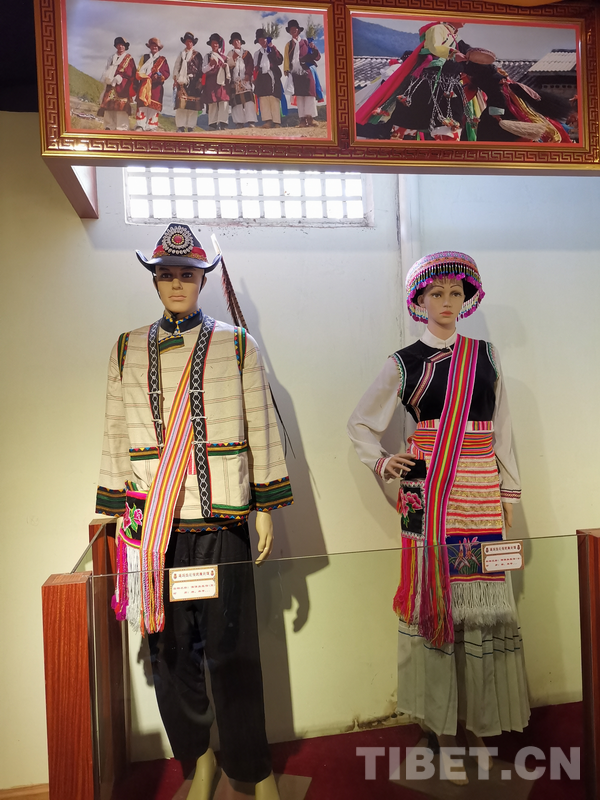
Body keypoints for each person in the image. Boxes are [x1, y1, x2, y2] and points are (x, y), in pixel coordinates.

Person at [96, 223, 293, 799]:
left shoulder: (237, 345)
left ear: (203, 280)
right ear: (155, 281)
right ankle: (199, 757)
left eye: (187, 273)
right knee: (169, 650)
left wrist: (265, 505)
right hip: (155, 527)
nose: (177, 283)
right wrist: (114, 509)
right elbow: (115, 430)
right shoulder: (126, 348)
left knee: (234, 651)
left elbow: (260, 421)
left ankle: (253, 769)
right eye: (167, 274)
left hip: (223, 517)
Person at [348, 251, 529, 784]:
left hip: (478, 493)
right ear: (419, 300)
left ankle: (479, 726)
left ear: (466, 298)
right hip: (428, 498)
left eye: (455, 293)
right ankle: (444, 734)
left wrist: (509, 492)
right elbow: (360, 423)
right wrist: (383, 461)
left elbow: (502, 429)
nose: (447, 302)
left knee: (479, 616)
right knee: (436, 613)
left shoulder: (485, 356)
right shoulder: (403, 362)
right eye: (436, 293)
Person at [356, 21, 474, 140]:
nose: (465, 19)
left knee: (452, 127)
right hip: (428, 83)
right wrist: (453, 54)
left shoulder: (456, 37)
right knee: (407, 125)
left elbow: (469, 52)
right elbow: (434, 47)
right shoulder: (437, 29)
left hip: (450, 87)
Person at [283, 20, 321, 127]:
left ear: (299, 30)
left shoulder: (306, 43)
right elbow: (286, 58)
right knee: (299, 96)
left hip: (307, 71)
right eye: (291, 29)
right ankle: (302, 120)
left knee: (309, 95)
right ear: (289, 32)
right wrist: (286, 69)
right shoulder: (289, 45)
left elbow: (316, 57)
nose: (293, 30)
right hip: (295, 73)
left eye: (295, 28)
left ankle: (310, 118)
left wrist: (313, 47)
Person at [98, 36, 135, 131]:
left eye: (122, 45)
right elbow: (107, 68)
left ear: (125, 47)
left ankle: (121, 128)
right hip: (110, 84)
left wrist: (120, 77)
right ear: (116, 46)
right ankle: (109, 126)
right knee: (108, 106)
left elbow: (131, 72)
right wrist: (107, 76)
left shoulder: (129, 58)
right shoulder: (111, 58)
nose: (120, 47)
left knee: (121, 107)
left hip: (122, 86)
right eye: (119, 45)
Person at [134, 37, 170, 132]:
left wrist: (159, 76)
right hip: (144, 84)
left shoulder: (162, 60)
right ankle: (140, 125)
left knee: (153, 106)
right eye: (152, 46)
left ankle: (151, 126)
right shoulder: (144, 57)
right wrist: (144, 76)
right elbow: (139, 70)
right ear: (150, 47)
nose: (154, 47)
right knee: (142, 105)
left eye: (156, 46)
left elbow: (166, 73)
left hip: (156, 86)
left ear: (159, 48)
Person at [253, 29, 284, 129]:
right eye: (260, 40)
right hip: (261, 78)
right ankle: (268, 121)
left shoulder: (273, 50)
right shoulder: (257, 54)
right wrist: (254, 78)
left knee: (274, 98)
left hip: (272, 76)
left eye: (264, 39)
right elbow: (255, 67)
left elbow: (279, 60)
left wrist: (272, 48)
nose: (262, 41)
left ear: (267, 39)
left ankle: (277, 122)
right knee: (263, 99)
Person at [173, 32, 203, 132]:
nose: (189, 43)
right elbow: (176, 67)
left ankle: (191, 126)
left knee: (193, 106)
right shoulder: (181, 55)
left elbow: (200, 68)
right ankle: (180, 126)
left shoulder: (198, 55)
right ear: (185, 43)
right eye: (187, 41)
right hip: (182, 81)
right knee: (181, 105)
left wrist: (200, 81)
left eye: (190, 41)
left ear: (193, 43)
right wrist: (176, 79)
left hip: (194, 82)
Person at [226, 32, 257, 129]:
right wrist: (233, 58)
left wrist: (248, 74)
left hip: (245, 80)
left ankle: (251, 121)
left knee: (249, 101)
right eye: (234, 41)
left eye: (238, 41)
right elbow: (228, 66)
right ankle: (239, 122)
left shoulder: (246, 53)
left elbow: (250, 64)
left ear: (241, 42)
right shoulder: (230, 53)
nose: (236, 42)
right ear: (232, 43)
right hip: (234, 81)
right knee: (237, 102)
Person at [203, 33, 231, 130]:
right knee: (212, 102)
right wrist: (210, 65)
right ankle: (212, 124)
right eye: (213, 43)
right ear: (210, 44)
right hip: (211, 82)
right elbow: (203, 70)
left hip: (222, 82)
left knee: (224, 101)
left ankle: (223, 123)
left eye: (216, 43)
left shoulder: (224, 58)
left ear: (219, 45)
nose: (215, 45)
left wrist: (225, 66)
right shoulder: (207, 56)